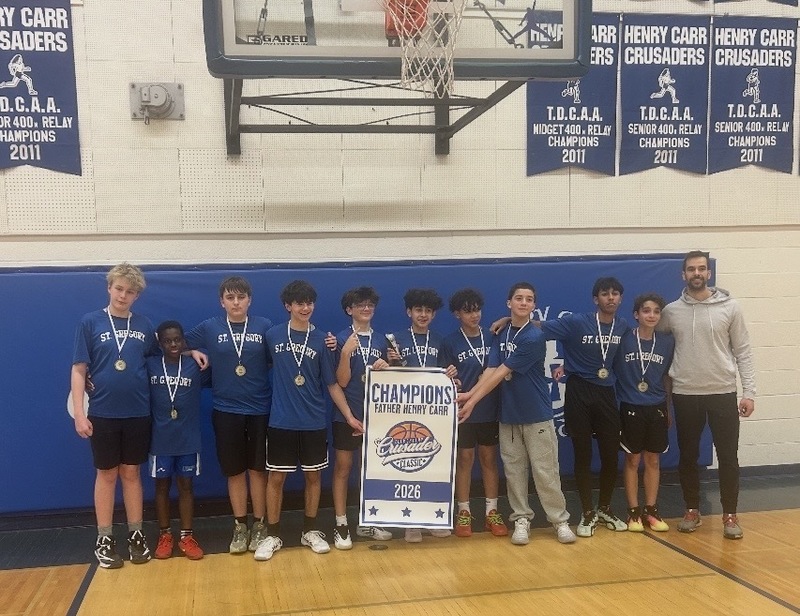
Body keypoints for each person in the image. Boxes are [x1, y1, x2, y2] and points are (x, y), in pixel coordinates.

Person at [458, 282, 576, 545]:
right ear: (509, 303)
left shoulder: (534, 338)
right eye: (519, 298)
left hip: (537, 415)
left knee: (546, 472)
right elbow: (490, 370)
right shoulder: (501, 332)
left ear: (534, 306)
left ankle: (559, 520)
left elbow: (501, 374)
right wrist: (469, 394)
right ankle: (521, 518)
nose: (524, 302)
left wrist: (472, 400)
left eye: (529, 299)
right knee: (514, 472)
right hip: (508, 417)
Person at [255, 280, 363, 561]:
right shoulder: (273, 335)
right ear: (288, 306)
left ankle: (310, 530)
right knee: (276, 478)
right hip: (281, 421)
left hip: (313, 421)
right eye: (299, 303)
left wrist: (350, 417)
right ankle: (272, 533)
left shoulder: (324, 341)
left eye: (309, 303)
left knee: (313, 477)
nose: (305, 308)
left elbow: (332, 384)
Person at [659, 251, 755, 539]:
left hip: (723, 392)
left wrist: (749, 392)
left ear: (708, 273)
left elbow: (743, 351)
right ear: (683, 275)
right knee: (687, 456)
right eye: (691, 269)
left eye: (701, 268)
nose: (696, 273)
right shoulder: (671, 311)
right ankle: (692, 510)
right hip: (685, 394)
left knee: (728, 457)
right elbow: (655, 342)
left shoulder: (731, 307)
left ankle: (730, 515)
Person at [71, 263, 158, 569]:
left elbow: (161, 359)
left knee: (132, 473)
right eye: (119, 288)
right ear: (109, 288)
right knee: (107, 475)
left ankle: (136, 535)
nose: (123, 295)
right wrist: (79, 414)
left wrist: (188, 353)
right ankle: (104, 539)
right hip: (103, 414)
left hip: (138, 412)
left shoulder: (145, 325)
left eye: (130, 291)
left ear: (137, 295)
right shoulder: (90, 322)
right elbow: (79, 369)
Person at [184, 276, 273, 555]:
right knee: (234, 471)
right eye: (230, 298)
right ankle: (240, 526)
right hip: (226, 410)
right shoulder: (210, 327)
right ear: (221, 301)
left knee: (258, 470)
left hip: (260, 408)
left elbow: (278, 356)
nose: (236, 303)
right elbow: (170, 344)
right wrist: (192, 349)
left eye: (241, 297)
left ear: (250, 300)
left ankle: (260, 525)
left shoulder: (264, 326)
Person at [541, 277, 630, 537]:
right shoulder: (577, 322)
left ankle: (604, 508)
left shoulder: (623, 326)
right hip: (579, 391)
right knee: (582, 454)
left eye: (615, 294)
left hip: (606, 393)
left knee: (611, 455)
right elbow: (540, 328)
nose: (611, 298)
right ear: (596, 299)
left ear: (620, 299)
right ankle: (588, 512)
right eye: (605, 294)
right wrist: (507, 322)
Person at [387, 288, 457, 543]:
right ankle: (411, 522)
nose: (423, 315)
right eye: (418, 310)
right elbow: (387, 378)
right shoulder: (394, 340)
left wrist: (452, 373)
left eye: (428, 311)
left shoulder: (441, 341)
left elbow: (451, 377)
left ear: (434, 314)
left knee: (432, 466)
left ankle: (433, 518)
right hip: (404, 414)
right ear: (409, 312)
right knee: (409, 467)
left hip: (433, 414)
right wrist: (390, 362)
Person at [440, 288, 507, 538]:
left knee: (490, 460)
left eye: (477, 310)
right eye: (468, 311)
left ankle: (492, 511)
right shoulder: (450, 342)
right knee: (465, 460)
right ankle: (464, 511)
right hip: (464, 412)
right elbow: (446, 377)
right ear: (457, 314)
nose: (474, 315)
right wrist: (453, 383)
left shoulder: (493, 337)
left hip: (490, 409)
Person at [332, 286, 393, 549]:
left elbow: (390, 383)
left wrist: (387, 367)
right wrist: (345, 353)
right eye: (360, 305)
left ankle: (368, 519)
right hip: (347, 414)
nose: (366, 309)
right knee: (343, 468)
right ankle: (341, 523)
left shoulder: (382, 340)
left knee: (369, 470)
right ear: (349, 310)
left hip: (377, 416)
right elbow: (341, 381)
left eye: (370, 305)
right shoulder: (340, 338)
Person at [147, 321, 211, 560]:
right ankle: (165, 535)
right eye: (167, 341)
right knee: (161, 487)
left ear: (184, 340)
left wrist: (192, 352)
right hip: (159, 439)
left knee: (186, 487)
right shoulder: (151, 365)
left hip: (187, 439)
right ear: (160, 343)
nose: (173, 344)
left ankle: (186, 536)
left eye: (177, 340)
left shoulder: (195, 365)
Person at [613, 294, 674, 532]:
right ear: (636, 314)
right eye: (646, 311)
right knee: (632, 459)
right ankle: (633, 512)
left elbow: (667, 377)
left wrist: (667, 407)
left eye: (656, 311)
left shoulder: (667, 342)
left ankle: (651, 510)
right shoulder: (624, 338)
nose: (651, 315)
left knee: (653, 460)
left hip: (657, 406)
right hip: (630, 406)